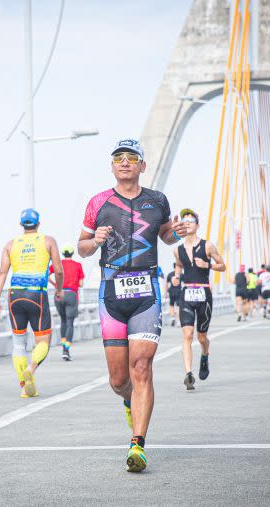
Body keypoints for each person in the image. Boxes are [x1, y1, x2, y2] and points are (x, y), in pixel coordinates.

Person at [77, 138, 190, 473]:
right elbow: (81, 247)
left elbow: (166, 235)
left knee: (141, 368)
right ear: (112, 166)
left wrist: (177, 232)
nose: (124, 162)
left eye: (131, 157)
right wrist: (93, 242)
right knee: (118, 379)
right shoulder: (98, 202)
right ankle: (128, 400)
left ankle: (137, 444)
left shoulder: (157, 200)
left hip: (146, 291)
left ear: (142, 165)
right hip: (111, 291)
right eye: (118, 158)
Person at [0, 209, 63, 398]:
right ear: (38, 223)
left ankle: (24, 388)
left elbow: (2, 273)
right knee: (43, 341)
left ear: (21, 225)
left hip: (15, 295)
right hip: (37, 294)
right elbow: (59, 270)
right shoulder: (48, 241)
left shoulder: (10, 244)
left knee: (19, 344)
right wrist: (60, 289)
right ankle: (31, 367)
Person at [173, 208, 225, 390]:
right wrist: (176, 276)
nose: (187, 223)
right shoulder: (177, 250)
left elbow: (223, 265)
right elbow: (179, 266)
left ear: (197, 225)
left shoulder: (207, 246)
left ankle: (205, 355)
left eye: (191, 220)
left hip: (204, 295)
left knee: (201, 337)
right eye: (184, 220)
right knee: (187, 334)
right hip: (186, 294)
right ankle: (188, 374)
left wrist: (208, 265)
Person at [49, 244, 85, 360]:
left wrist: (55, 284)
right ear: (72, 254)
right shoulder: (78, 265)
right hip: (71, 294)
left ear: (63, 254)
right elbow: (81, 284)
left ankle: (63, 347)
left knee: (63, 321)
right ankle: (66, 349)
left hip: (59, 294)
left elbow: (46, 275)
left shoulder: (57, 264)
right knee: (70, 322)